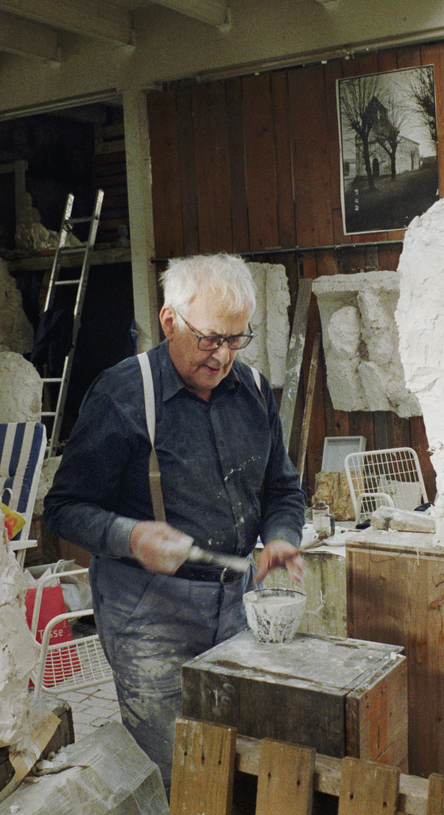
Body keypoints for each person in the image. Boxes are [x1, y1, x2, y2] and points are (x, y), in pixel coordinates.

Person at [43, 253, 305, 791]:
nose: (223, 356)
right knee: (174, 778)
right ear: (169, 321)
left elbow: (282, 489)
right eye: (211, 338)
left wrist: (280, 537)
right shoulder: (123, 393)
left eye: (236, 340)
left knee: (239, 766)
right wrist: (131, 536)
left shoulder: (253, 393)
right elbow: (64, 508)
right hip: (148, 618)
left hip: (234, 605)